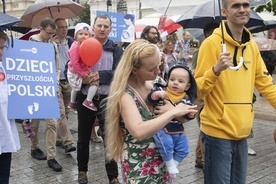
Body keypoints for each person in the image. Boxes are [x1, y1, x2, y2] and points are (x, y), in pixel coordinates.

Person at [194, 0, 276, 183]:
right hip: (217, 133)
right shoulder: (211, 44)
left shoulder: (252, 47)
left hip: (242, 133)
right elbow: (197, 90)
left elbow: (266, 85)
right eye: (236, 6)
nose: (242, 9)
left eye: (245, 5)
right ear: (224, 11)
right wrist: (215, 70)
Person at [105, 39, 198, 183]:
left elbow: (180, 118)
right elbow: (139, 131)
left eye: (158, 65)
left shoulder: (157, 83)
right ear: (134, 69)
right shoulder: (125, 95)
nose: (158, 71)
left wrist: (184, 113)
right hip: (140, 167)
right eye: (151, 69)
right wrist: (172, 112)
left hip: (163, 162)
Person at [76, 14, 123, 184]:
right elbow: (73, 68)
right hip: (86, 97)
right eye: (99, 26)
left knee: (110, 139)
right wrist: (83, 78)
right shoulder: (82, 44)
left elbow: (120, 73)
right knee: (82, 138)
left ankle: (113, 176)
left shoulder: (116, 49)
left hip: (107, 99)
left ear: (110, 29)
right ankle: (82, 171)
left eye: (106, 26)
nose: (102, 29)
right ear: (93, 27)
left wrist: (99, 75)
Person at [147, 65, 197, 178]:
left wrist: (190, 114)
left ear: (187, 86)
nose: (175, 83)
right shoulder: (162, 91)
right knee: (166, 145)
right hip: (162, 127)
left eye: (180, 81)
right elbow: (150, 98)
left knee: (184, 149)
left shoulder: (186, 98)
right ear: (167, 80)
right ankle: (169, 164)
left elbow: (188, 113)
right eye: (172, 79)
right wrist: (157, 95)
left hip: (178, 130)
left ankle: (173, 165)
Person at [28, 18, 63, 172]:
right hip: (35, 88)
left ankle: (51, 156)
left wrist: (55, 84)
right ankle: (34, 147)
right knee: (33, 122)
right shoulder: (31, 42)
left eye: (52, 34)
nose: (50, 36)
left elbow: (57, 67)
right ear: (40, 29)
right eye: (48, 33)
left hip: (49, 88)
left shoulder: (53, 46)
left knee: (52, 123)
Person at [191, 22, 219, 169]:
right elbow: (197, 74)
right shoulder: (202, 49)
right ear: (208, 34)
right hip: (202, 98)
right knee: (204, 129)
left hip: (214, 96)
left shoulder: (221, 49)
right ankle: (204, 160)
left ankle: (199, 158)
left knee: (203, 130)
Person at [0, 29, 20, 184]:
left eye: (2, 48)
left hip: (5, 131)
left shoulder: (5, 67)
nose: (1, 52)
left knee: (4, 176)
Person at [53, 18, 76, 152]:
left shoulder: (71, 42)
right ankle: (68, 142)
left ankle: (58, 139)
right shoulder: (51, 43)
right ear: (55, 29)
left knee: (66, 112)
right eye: (61, 27)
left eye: (65, 26)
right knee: (61, 112)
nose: (64, 29)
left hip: (68, 80)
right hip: (56, 82)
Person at [67, 23, 98, 111]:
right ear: (75, 36)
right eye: (80, 34)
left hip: (79, 71)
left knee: (75, 88)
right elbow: (75, 63)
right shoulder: (75, 47)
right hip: (75, 73)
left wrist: (88, 69)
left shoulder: (84, 46)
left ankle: (72, 103)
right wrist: (83, 74)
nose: (83, 36)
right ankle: (88, 100)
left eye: (86, 34)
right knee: (95, 81)